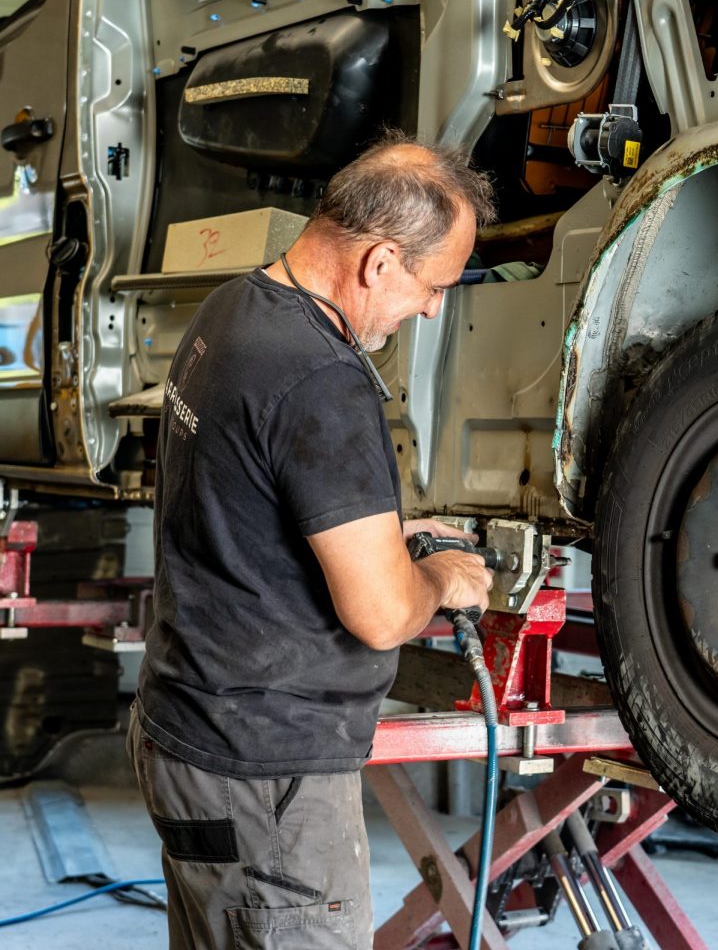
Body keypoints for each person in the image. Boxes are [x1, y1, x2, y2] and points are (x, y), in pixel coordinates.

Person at [128, 134, 497, 949]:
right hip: (267, 784)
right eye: (433, 285)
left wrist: (384, 532)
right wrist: (440, 579)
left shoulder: (236, 307)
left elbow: (247, 498)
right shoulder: (322, 377)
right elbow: (379, 614)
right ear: (379, 263)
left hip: (190, 730)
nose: (433, 308)